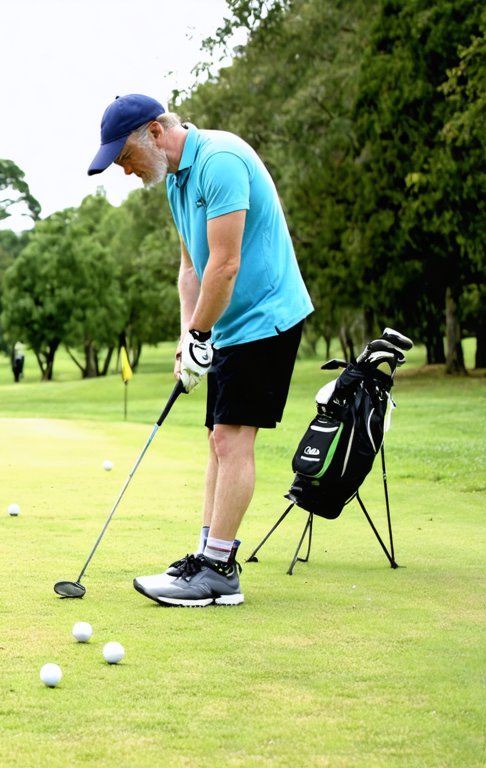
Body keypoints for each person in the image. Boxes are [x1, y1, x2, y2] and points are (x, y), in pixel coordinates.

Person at [88, 94, 313, 606]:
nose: (125, 172)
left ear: (155, 133)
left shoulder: (221, 162)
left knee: (233, 441)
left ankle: (219, 571)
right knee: (217, 439)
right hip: (229, 323)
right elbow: (191, 268)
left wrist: (201, 335)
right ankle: (206, 556)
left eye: (125, 158)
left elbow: (226, 264)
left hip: (266, 316)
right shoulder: (175, 181)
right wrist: (187, 337)